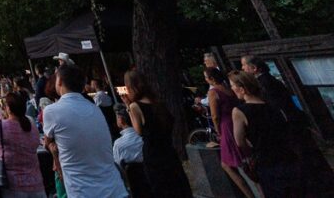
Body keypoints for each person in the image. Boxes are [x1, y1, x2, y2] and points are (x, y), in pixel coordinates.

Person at [42, 64, 127, 198]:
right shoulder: (95, 109)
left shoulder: (52, 111)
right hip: (114, 188)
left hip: (83, 191)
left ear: (59, 82)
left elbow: (48, 143)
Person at [230, 70, 307, 197]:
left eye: (233, 86)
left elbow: (239, 141)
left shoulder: (239, 111)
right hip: (288, 156)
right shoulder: (272, 106)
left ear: (242, 89)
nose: (232, 89)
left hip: (266, 160)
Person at [124, 70, 192, 198]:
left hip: (153, 152)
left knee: (160, 187)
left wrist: (128, 108)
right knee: (176, 184)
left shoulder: (135, 106)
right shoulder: (158, 102)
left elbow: (138, 130)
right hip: (168, 149)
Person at [202, 68, 253, 197]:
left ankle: (249, 194)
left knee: (227, 164)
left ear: (212, 79)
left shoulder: (213, 92)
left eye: (206, 77)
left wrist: (218, 130)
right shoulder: (229, 89)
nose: (205, 80)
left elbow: (214, 115)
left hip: (226, 126)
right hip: (236, 122)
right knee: (244, 161)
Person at [0, 91, 43, 198]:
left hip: (13, 186)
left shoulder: (0, 125)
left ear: (8, 108)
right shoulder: (31, 126)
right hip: (36, 184)